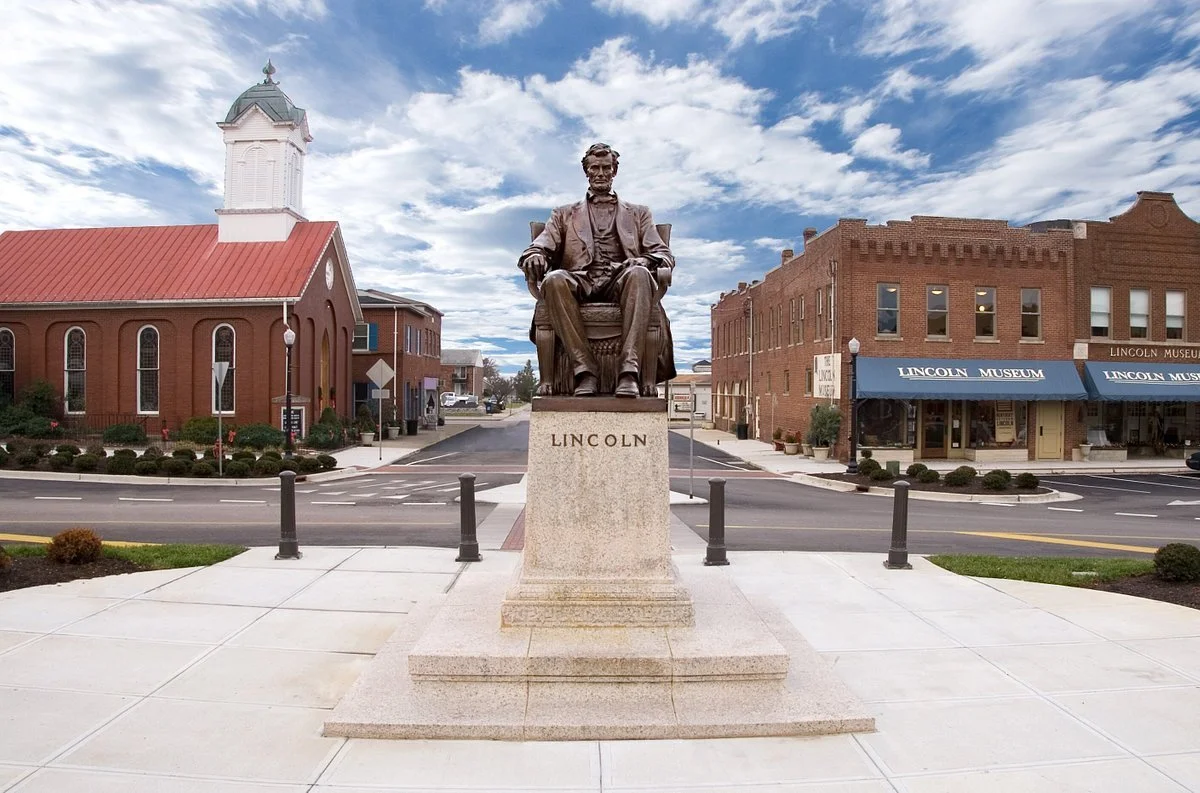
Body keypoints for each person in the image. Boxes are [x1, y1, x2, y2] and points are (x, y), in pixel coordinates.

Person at [519, 143, 675, 397]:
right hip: (580, 282)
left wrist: (645, 262)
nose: (600, 173)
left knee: (639, 274)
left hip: (621, 280)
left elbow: (662, 253)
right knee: (554, 279)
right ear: (587, 172)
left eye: (606, 167)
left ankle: (628, 371)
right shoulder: (564, 213)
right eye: (595, 168)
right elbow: (541, 245)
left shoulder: (638, 213)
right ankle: (585, 370)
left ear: (614, 171)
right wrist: (535, 255)